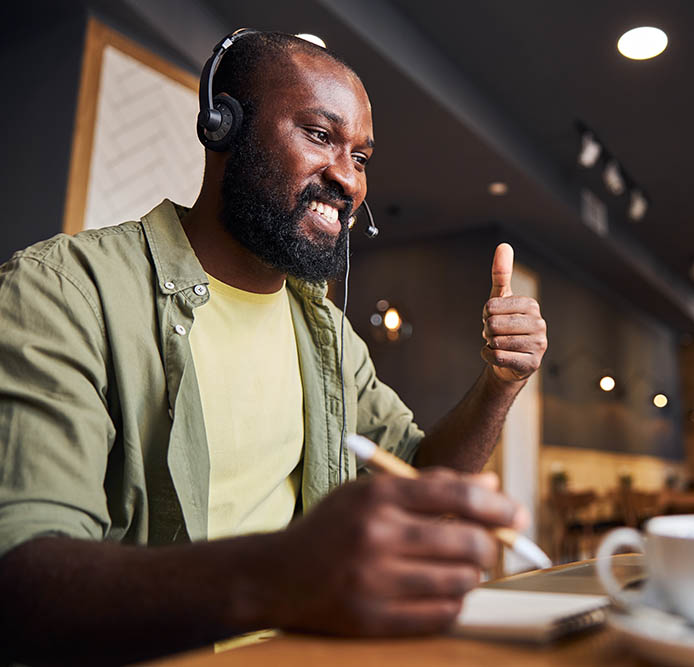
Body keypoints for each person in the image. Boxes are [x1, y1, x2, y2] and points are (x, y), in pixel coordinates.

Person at [0, 30, 547, 665]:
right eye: (320, 135)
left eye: (362, 157)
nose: (347, 178)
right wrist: (281, 577)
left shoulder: (325, 332)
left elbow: (420, 476)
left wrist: (500, 381)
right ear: (222, 127)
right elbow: (22, 579)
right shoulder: (65, 292)